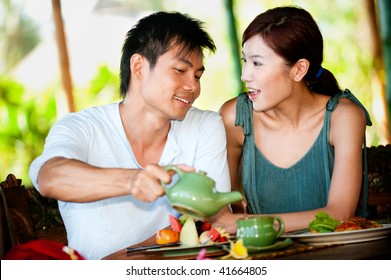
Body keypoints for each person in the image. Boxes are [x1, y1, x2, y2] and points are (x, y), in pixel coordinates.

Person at [29, 11, 230, 260]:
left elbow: (213, 220)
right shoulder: (82, 126)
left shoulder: (204, 126)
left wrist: (128, 259)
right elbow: (50, 177)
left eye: (198, 75)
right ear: (138, 67)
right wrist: (131, 181)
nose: (193, 86)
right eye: (180, 70)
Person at [214, 6, 372, 234]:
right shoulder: (235, 118)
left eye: (257, 63)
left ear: (299, 70)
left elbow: (339, 213)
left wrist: (248, 223)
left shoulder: (343, 117)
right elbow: (224, 207)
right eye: (245, 61)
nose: (245, 75)